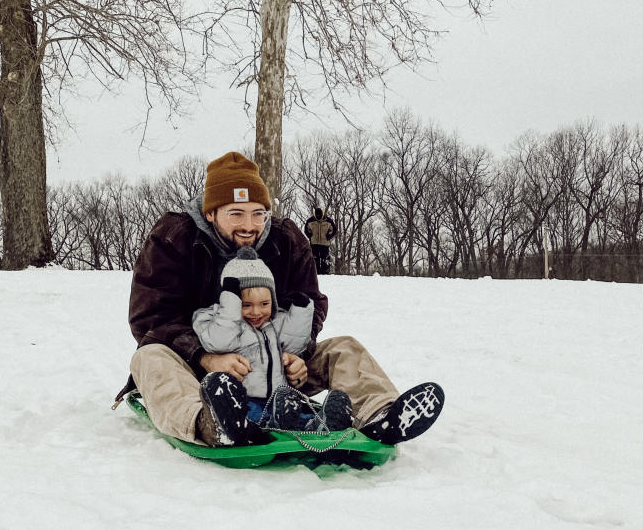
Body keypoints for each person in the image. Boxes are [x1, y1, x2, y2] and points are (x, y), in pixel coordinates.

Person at [116, 151, 444, 448]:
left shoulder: (286, 240)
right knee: (150, 357)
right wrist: (206, 358)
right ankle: (209, 423)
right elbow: (151, 320)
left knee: (344, 348)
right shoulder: (174, 238)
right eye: (236, 214)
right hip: (197, 370)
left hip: (273, 367)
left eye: (259, 214)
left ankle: (381, 416)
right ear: (212, 213)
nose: (250, 226)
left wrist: (294, 355)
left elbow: (310, 302)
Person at [192, 248, 352, 438]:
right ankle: (270, 424)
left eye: (264, 304)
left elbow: (295, 342)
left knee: (297, 412)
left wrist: (302, 308)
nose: (257, 312)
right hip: (244, 399)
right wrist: (230, 305)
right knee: (252, 415)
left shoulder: (273, 324)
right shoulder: (217, 320)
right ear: (231, 302)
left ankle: (321, 424)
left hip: (278, 397)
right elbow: (218, 343)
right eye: (246, 305)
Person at [304, 206, 336, 275]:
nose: (318, 216)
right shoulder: (310, 221)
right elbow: (306, 230)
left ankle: (326, 273)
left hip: (325, 243)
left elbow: (333, 230)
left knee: (325, 259)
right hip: (314, 243)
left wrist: (329, 236)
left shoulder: (328, 221)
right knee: (314, 258)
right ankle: (315, 273)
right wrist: (310, 236)